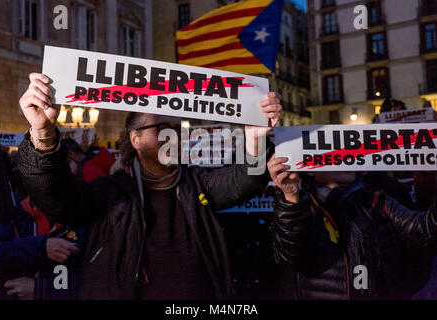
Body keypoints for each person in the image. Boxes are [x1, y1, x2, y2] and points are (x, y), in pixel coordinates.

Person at [17, 72, 281, 300]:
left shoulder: (199, 185)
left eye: (178, 128)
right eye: (162, 128)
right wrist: (43, 134)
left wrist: (255, 139)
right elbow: (55, 196)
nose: (173, 136)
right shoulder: (111, 194)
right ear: (136, 139)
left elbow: (246, 179)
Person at [267, 155, 437, 300]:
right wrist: (290, 196)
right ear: (310, 169)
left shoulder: (378, 201)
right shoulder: (300, 207)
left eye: (348, 154)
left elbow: (425, 231)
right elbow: (287, 255)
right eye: (333, 155)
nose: (344, 159)